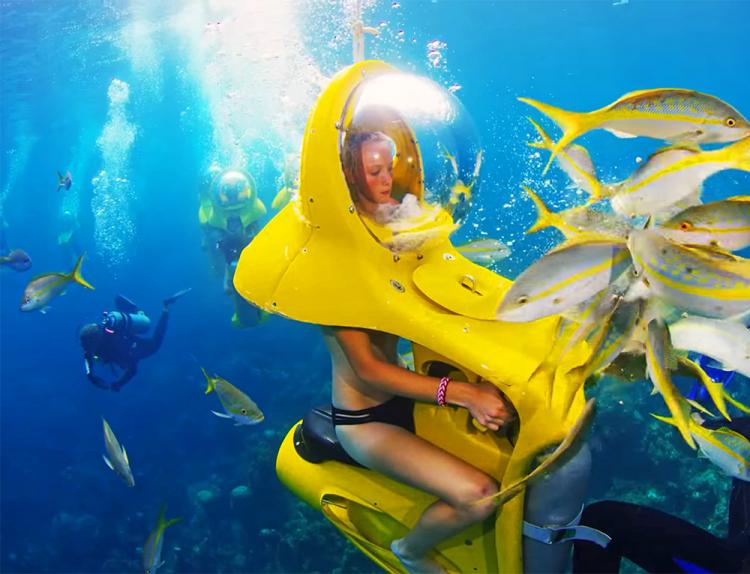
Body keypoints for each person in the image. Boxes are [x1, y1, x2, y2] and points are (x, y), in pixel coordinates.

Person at [326, 131, 516, 574]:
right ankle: (409, 551)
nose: (387, 180)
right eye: (374, 172)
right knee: (480, 495)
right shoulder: (335, 261)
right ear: (350, 177)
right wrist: (465, 394)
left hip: (407, 392)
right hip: (366, 420)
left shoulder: (393, 234)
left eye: (389, 167)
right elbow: (368, 370)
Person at [573, 416, 750, 573]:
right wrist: (690, 418)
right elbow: (687, 442)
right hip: (730, 559)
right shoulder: (743, 431)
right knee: (601, 522)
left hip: (733, 563)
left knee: (602, 521)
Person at [79, 290, 189, 391]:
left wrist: (119, 384)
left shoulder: (113, 348)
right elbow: (87, 355)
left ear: (93, 343)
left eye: (87, 345)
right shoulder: (95, 343)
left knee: (155, 345)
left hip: (131, 345)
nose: (85, 349)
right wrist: (90, 375)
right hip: (126, 338)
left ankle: (165, 308)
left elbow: (133, 369)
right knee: (136, 323)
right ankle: (137, 311)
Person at [198, 167, 267, 327]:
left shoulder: (250, 209)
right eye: (228, 196)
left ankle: (238, 287)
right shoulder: (211, 213)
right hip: (230, 251)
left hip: (243, 248)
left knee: (238, 265)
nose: (233, 200)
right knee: (230, 264)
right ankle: (229, 279)